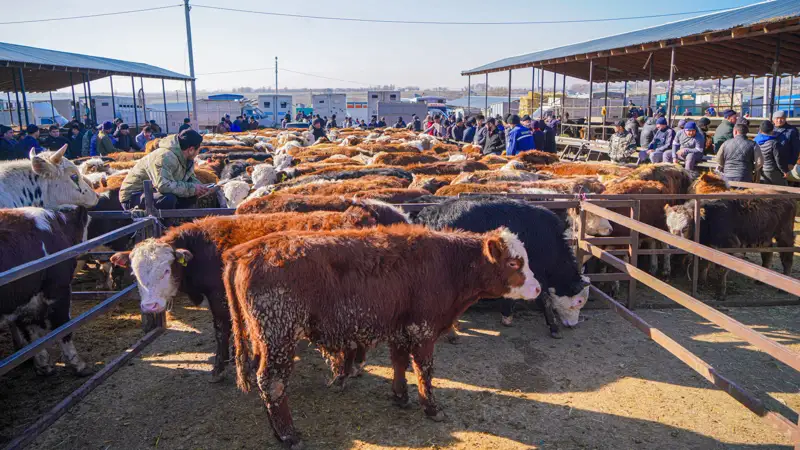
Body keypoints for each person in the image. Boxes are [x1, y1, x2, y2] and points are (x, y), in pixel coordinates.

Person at [119, 129, 208, 211]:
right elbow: (164, 186)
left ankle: (177, 220)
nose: (198, 153)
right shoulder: (165, 156)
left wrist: (202, 188)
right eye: (198, 150)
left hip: (153, 192)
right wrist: (193, 188)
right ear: (191, 150)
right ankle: (164, 225)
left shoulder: (187, 160)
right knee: (168, 199)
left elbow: (190, 179)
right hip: (133, 196)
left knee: (191, 195)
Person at [751, 121, 785, 185]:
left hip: (759, 170)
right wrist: (784, 170)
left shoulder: (754, 141)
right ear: (772, 130)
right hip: (771, 169)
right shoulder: (774, 143)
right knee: (784, 188)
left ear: (760, 130)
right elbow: (778, 159)